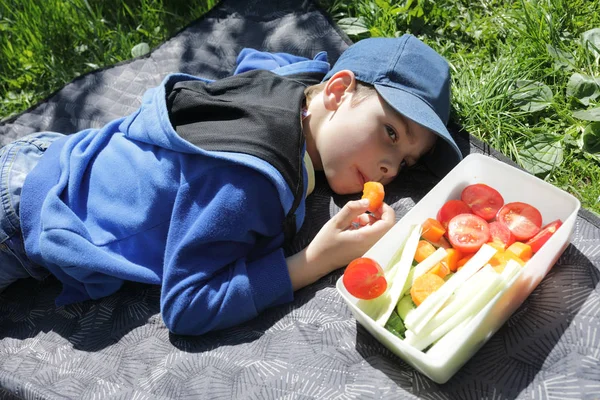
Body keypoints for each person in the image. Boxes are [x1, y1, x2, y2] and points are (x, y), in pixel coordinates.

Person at [0, 34, 462, 335]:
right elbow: (186, 305)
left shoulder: (293, 82)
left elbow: (257, 59)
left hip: (48, 157)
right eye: (391, 132)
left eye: (406, 161)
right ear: (337, 92)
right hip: (22, 219)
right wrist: (316, 260)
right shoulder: (252, 179)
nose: (391, 169)